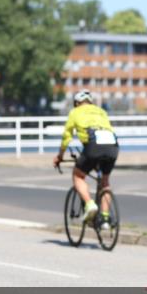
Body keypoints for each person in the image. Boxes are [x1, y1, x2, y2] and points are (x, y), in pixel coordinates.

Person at [53, 90, 119, 226]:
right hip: (113, 146)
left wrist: (60, 156)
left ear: (77, 103)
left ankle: (90, 205)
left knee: (78, 175)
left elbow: (67, 137)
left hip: (94, 146)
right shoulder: (101, 111)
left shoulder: (75, 112)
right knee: (105, 181)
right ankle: (105, 219)